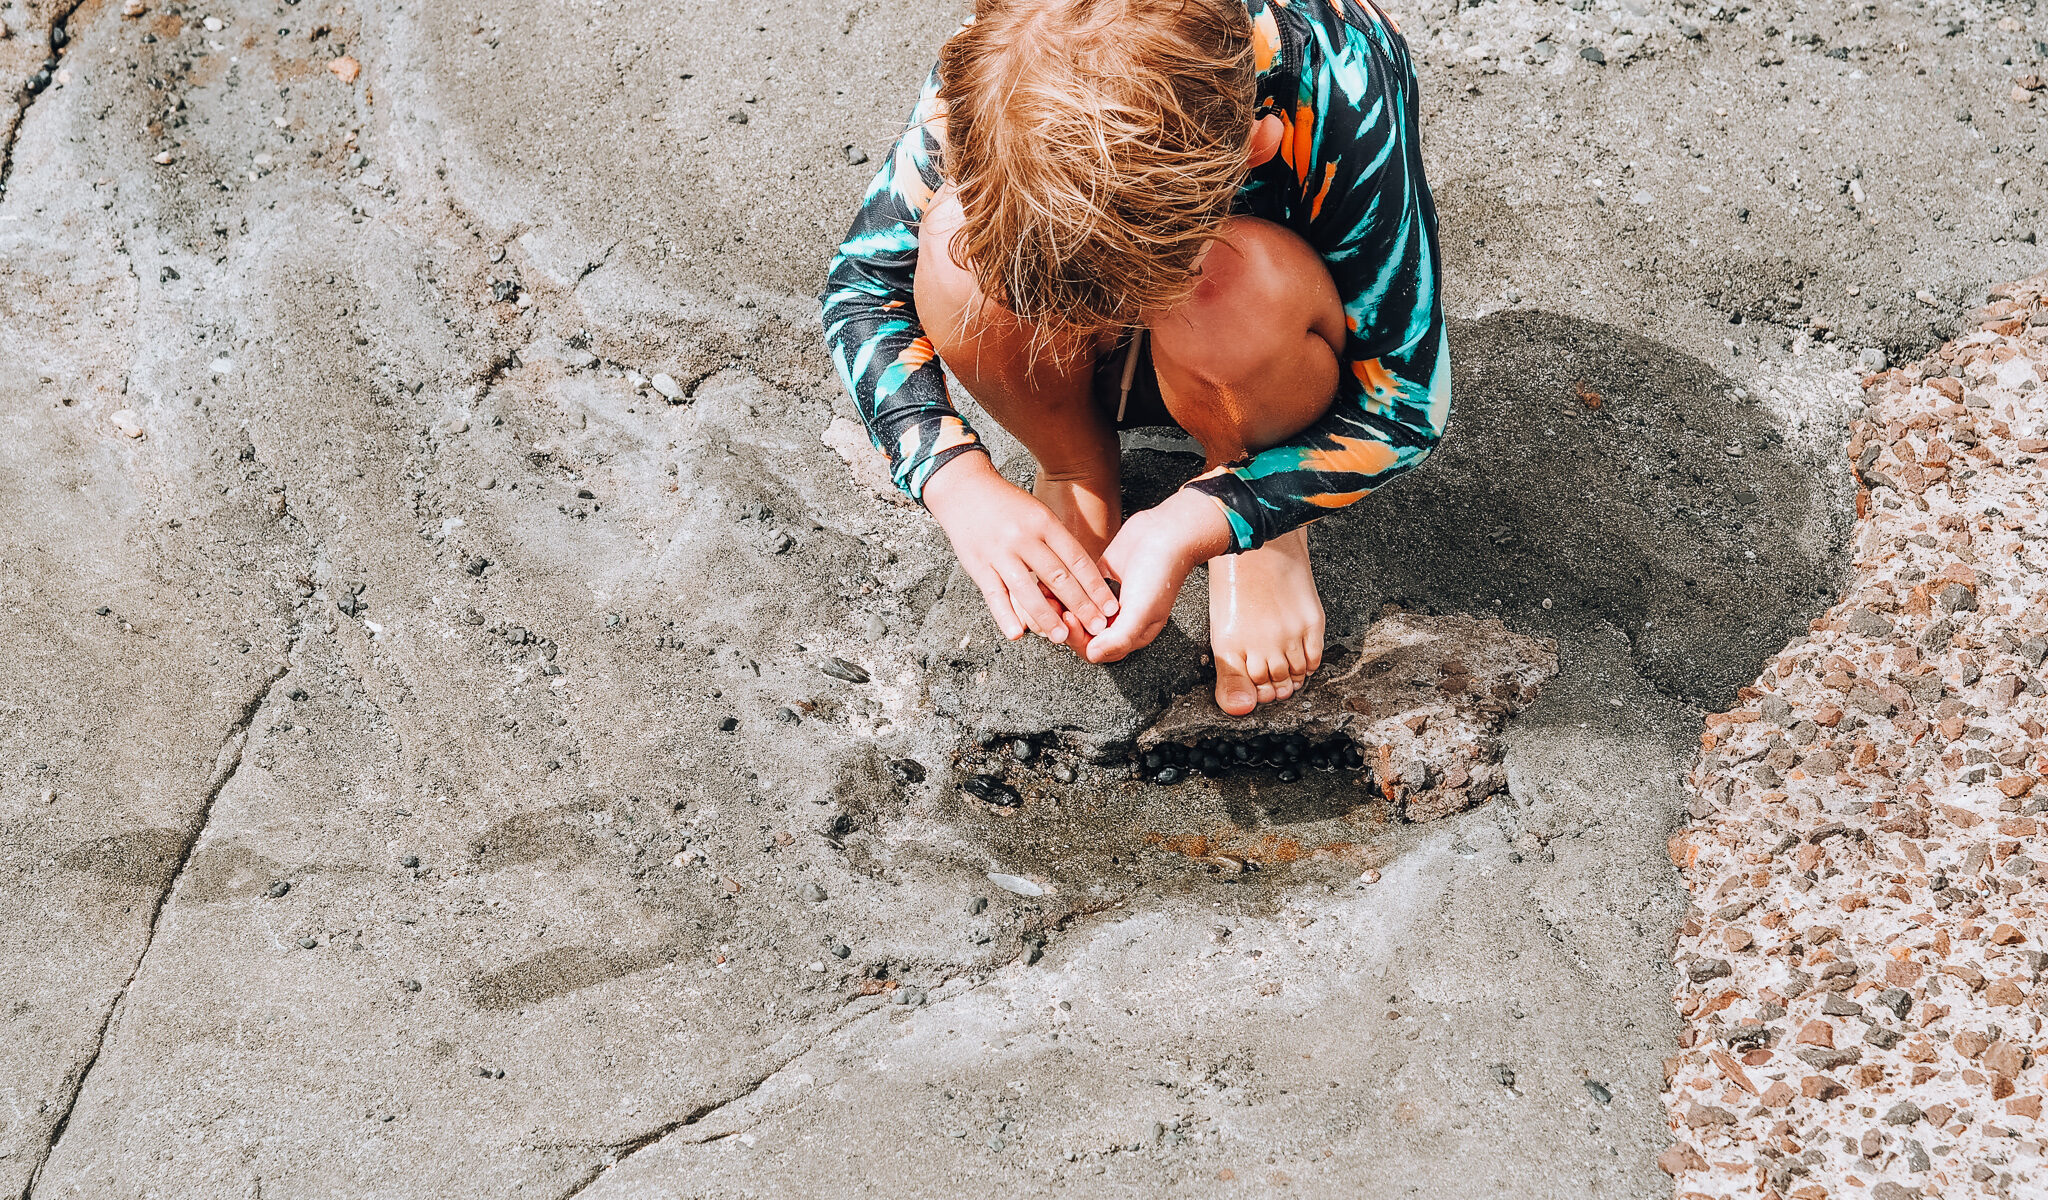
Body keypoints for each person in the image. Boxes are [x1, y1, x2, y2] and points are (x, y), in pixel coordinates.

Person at [821, 0, 1446, 715]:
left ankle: (1258, 506)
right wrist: (955, 481)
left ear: (1256, 144)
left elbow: (1405, 407)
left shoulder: (1340, 80)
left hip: (1263, 331)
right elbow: (860, 288)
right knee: (953, 241)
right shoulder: (1005, 61)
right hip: (1127, 267)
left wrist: (1203, 518)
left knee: (1228, 287)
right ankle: (1074, 460)